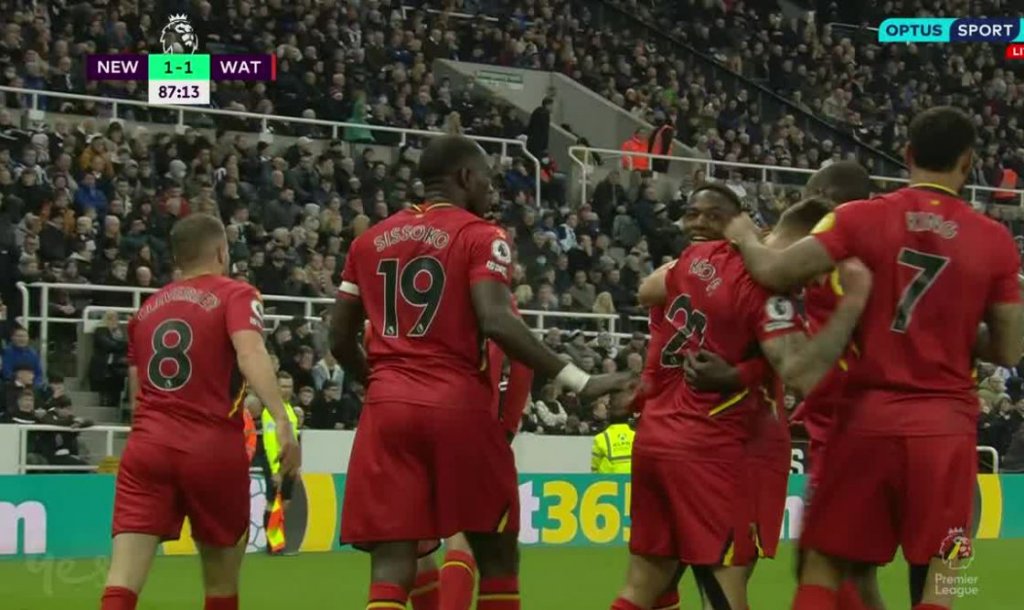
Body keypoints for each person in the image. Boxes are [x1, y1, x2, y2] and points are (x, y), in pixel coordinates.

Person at [724, 106, 1023, 610]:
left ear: (907, 154)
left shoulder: (858, 218)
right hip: (945, 425)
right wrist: (950, 329)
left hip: (866, 419)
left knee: (825, 565)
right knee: (945, 569)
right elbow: (1010, 348)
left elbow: (774, 272)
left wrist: (744, 236)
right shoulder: (994, 240)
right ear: (968, 162)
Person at [331, 135, 632, 610]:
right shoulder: (480, 235)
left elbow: (337, 338)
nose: (492, 192)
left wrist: (378, 382)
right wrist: (580, 379)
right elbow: (496, 320)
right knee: (496, 554)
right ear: (465, 177)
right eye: (488, 181)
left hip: (386, 409)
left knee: (391, 564)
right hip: (456, 405)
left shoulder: (367, 241)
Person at [610, 184, 870, 610]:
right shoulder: (765, 291)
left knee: (643, 585)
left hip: (657, 438)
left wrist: (740, 369)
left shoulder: (694, 257)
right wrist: (850, 306)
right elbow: (798, 372)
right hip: (713, 449)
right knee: (725, 588)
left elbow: (648, 291)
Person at [101, 214, 300, 610]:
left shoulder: (145, 311)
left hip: (147, 447)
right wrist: (280, 417)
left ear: (178, 257)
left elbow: (138, 393)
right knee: (220, 584)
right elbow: (250, 352)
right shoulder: (236, 294)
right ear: (221, 252)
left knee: (122, 580)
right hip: (210, 446)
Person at [261, 370, 301, 555]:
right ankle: (272, 545)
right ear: (276, 387)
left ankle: (277, 541)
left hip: (288, 465)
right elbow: (270, 443)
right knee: (272, 502)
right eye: (283, 386)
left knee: (285, 502)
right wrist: (275, 470)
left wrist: (295, 466)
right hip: (277, 464)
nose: (287, 390)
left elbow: (294, 440)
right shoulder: (270, 411)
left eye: (289, 387)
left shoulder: (290, 410)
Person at [591, 396, 635, 473]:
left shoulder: (600, 438)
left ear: (609, 419)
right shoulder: (637, 436)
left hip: (608, 479)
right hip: (633, 478)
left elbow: (594, 468)